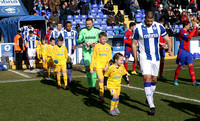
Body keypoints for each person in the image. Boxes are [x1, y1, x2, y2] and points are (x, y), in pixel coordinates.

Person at [132, 11, 172, 115]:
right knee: (147, 78)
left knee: (154, 79)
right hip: (144, 57)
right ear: (145, 18)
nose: (150, 23)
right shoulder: (138, 27)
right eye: (148, 21)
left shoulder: (159, 26)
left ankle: (149, 97)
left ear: (154, 18)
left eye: (151, 21)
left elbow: (168, 39)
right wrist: (136, 59)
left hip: (156, 57)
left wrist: (170, 49)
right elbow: (134, 44)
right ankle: (152, 106)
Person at [77, 18, 101, 94]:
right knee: (88, 69)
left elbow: (105, 37)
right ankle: (90, 86)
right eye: (87, 24)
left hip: (95, 53)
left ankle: (93, 87)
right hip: (86, 53)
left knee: (93, 70)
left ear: (92, 23)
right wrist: (84, 41)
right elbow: (78, 40)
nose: (88, 25)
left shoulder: (97, 31)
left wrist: (97, 42)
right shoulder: (83, 31)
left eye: (90, 24)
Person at [174, 21, 200, 86]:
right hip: (182, 51)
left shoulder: (188, 31)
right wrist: (194, 29)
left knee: (191, 65)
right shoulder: (181, 31)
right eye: (188, 25)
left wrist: (196, 28)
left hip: (188, 52)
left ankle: (194, 81)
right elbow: (189, 37)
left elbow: (196, 34)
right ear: (185, 26)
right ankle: (175, 79)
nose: (189, 26)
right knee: (180, 66)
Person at [90, 32, 112, 103]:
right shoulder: (96, 46)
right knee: (101, 80)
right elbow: (93, 57)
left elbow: (110, 58)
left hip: (105, 67)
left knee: (107, 81)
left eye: (105, 39)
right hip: (98, 66)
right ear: (99, 39)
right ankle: (101, 95)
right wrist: (91, 68)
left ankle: (105, 93)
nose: (104, 40)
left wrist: (107, 66)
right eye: (103, 39)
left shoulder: (108, 46)